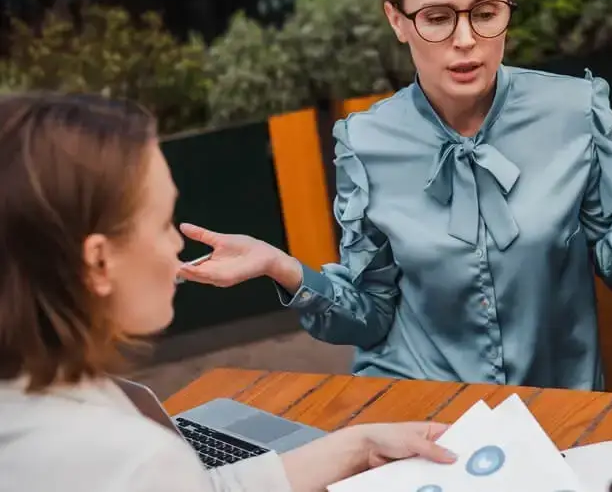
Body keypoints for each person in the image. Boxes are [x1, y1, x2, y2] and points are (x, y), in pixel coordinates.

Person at [178, 0, 612, 390]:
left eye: (485, 13)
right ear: (398, 20)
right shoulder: (365, 142)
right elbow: (368, 315)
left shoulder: (574, 111)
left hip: (553, 408)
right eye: (437, 18)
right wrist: (282, 267)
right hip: (417, 411)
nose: (465, 41)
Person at [0, 92, 457, 492]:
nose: (177, 244)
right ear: (99, 262)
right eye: (163, 224)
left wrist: (359, 444)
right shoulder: (135, 461)